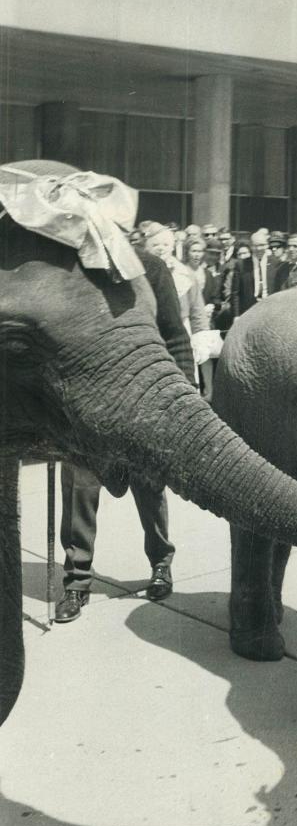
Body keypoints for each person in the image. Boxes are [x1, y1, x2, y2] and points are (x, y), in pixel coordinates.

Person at [55, 248, 195, 622]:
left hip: (143, 400)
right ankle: (76, 581)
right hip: (85, 403)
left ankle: (161, 563)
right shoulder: (69, 268)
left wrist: (184, 395)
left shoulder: (149, 267)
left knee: (150, 487)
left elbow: (175, 334)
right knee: (80, 489)